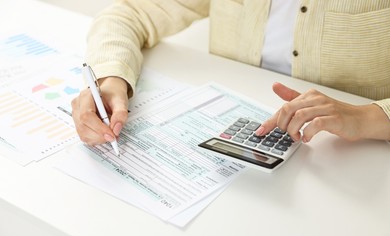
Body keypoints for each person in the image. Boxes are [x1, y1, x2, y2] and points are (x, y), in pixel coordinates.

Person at [71, 0, 390, 146]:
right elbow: (130, 12)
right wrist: (111, 80)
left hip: (352, 160)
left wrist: (368, 118)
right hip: (228, 147)